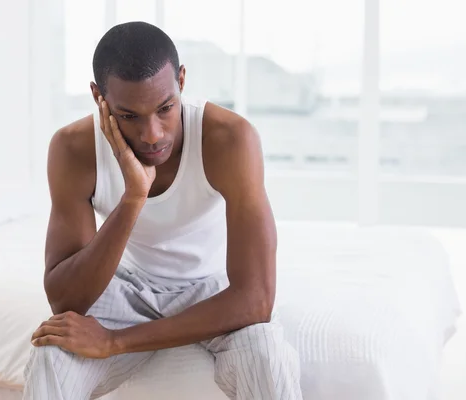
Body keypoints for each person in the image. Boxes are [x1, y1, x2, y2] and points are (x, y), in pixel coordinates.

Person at [22, 21, 303, 400]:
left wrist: (114, 342)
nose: (152, 134)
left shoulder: (229, 139)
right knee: (51, 355)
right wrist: (134, 197)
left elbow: (255, 299)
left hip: (213, 289)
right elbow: (66, 300)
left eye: (165, 108)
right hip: (126, 290)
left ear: (182, 81)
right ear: (98, 97)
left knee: (266, 353)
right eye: (129, 116)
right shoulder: (73, 149)